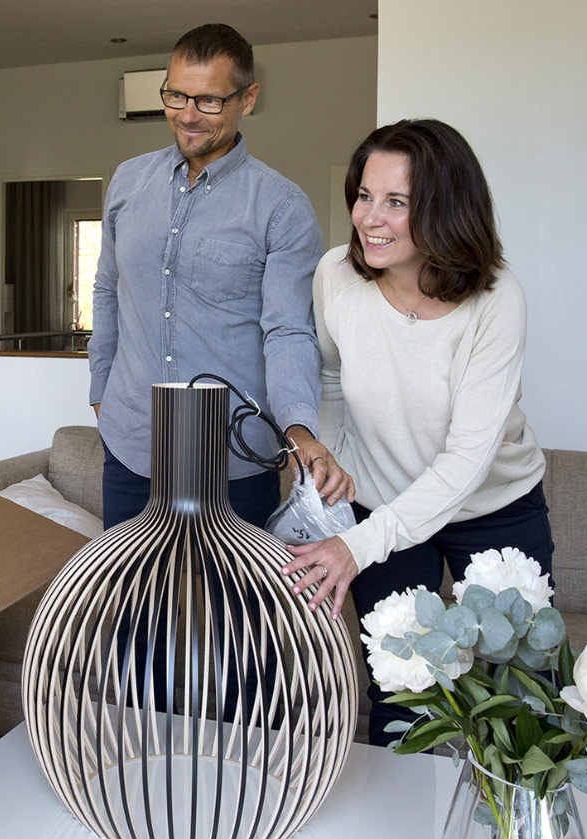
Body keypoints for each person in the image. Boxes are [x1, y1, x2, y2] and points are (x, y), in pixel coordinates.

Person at [281, 119, 554, 746]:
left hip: (494, 507)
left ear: (445, 209)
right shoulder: (336, 277)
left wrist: (356, 546)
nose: (369, 218)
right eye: (364, 195)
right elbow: (326, 376)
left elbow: (466, 460)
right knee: (404, 695)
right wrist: (324, 452)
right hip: (383, 501)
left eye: (396, 202)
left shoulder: (496, 298)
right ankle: (401, 838)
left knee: (519, 692)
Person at [88, 22, 351, 531]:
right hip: (132, 442)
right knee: (136, 604)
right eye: (175, 95)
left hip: (235, 454)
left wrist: (299, 430)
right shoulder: (127, 181)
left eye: (208, 101)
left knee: (234, 607)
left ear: (247, 98)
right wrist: (101, 391)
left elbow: (288, 330)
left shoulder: (281, 206)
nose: (186, 116)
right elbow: (107, 290)